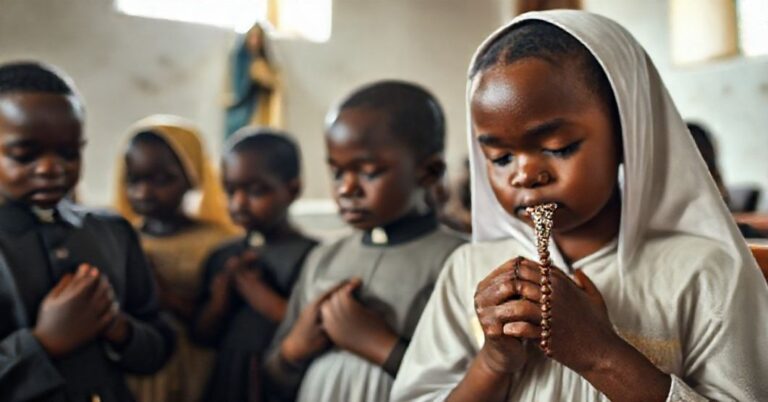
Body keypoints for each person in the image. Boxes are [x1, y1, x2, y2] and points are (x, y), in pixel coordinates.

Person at [391, 11, 768, 402]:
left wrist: (599, 354)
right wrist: (493, 363)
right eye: (501, 158)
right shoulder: (467, 270)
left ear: (627, 134)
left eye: (558, 148)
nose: (525, 174)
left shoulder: (707, 272)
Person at [264, 80, 465, 402]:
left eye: (368, 171)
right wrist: (293, 350)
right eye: (337, 173)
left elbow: (473, 382)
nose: (346, 189)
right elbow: (273, 373)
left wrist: (380, 345)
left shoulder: (457, 261)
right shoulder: (323, 258)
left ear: (428, 172)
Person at [0, 62, 174, 401]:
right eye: (25, 155)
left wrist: (118, 328)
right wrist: (43, 343)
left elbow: (160, 344)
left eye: (69, 153)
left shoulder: (112, 232)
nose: (51, 169)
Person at [113, 115, 238, 402]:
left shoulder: (217, 242)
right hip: (134, 365)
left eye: (161, 180)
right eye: (134, 180)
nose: (144, 192)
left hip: (195, 366)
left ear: (193, 177)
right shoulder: (120, 239)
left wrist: (163, 295)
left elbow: (223, 324)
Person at [193, 128, 317, 402]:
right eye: (230, 190)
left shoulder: (313, 257)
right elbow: (201, 335)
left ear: (292, 189)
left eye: (256, 191)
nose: (239, 203)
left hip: (283, 380)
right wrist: (220, 300)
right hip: (229, 377)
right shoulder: (223, 255)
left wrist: (257, 293)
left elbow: (313, 329)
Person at [225, 23, 281, 138]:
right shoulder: (240, 57)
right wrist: (251, 75)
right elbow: (237, 88)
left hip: (258, 109)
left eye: (258, 38)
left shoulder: (262, 61)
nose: (255, 41)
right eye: (253, 37)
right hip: (242, 107)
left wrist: (264, 78)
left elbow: (274, 85)